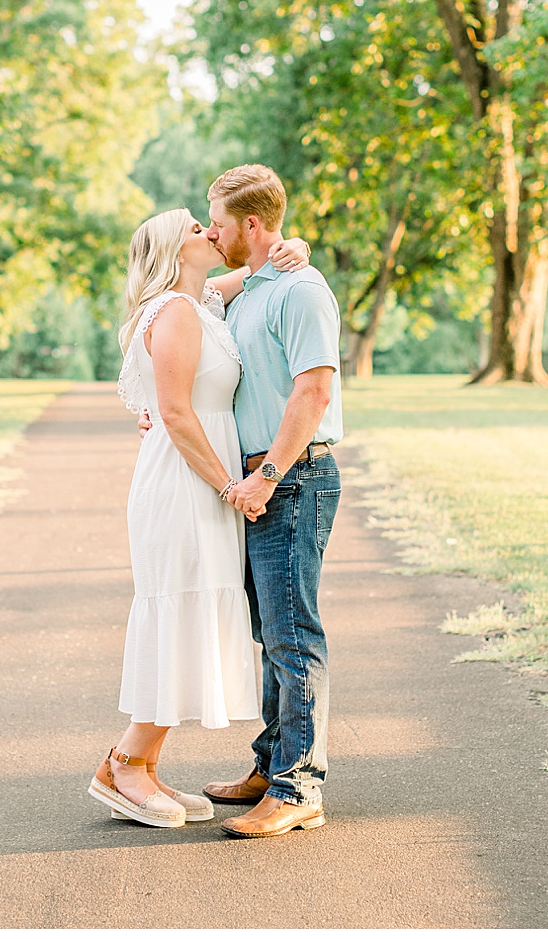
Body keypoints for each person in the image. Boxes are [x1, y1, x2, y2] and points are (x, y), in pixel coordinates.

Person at [91, 209, 310, 828]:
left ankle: (144, 765)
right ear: (174, 249)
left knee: (194, 618)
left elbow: (263, 264)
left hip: (202, 483)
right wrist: (233, 488)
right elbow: (177, 414)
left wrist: (293, 243)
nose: (210, 233)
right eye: (196, 228)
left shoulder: (202, 299)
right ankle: (125, 764)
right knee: (181, 615)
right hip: (188, 484)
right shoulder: (179, 311)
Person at [201, 164, 343, 840]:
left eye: (219, 222)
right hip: (264, 479)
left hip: (294, 478)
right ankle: (270, 764)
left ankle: (299, 787)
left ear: (252, 224)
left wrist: (268, 474)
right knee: (270, 636)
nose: (210, 231)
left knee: (293, 636)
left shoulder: (302, 291)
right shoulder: (255, 287)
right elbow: (198, 290)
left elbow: (312, 392)